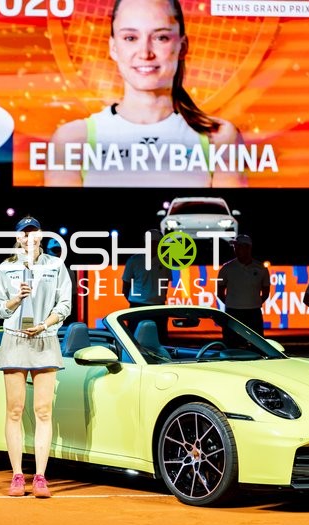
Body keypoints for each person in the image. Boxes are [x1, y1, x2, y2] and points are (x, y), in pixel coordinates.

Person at [45, 0, 247, 188]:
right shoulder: (71, 140)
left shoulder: (219, 137)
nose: (145, 53)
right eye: (130, 38)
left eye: (161, 37)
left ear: (182, 47)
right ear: (114, 48)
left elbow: (225, 221)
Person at [0, 216, 72, 498]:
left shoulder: (55, 265)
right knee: (14, 411)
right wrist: (15, 300)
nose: (29, 238)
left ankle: (40, 476)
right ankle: (17, 476)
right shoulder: (6, 268)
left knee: (43, 411)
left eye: (34, 233)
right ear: (17, 238)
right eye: (24, 234)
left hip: (45, 339)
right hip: (14, 340)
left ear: (41, 236)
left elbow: (65, 304)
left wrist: (46, 323)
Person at [216, 234, 270, 346]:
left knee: (258, 346)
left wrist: (254, 303)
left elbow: (266, 292)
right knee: (231, 344)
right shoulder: (227, 268)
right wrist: (233, 304)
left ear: (248, 247)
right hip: (233, 312)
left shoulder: (261, 268)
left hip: (253, 312)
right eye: (235, 247)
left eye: (238, 246)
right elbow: (220, 292)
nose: (235, 249)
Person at [122, 229, 171, 341]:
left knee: (160, 341)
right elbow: (125, 286)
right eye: (152, 242)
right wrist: (135, 301)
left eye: (156, 242)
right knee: (134, 341)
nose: (154, 245)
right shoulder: (134, 260)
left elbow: (165, 284)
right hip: (138, 307)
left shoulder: (166, 261)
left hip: (158, 307)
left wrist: (159, 299)